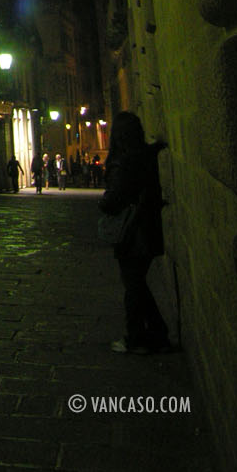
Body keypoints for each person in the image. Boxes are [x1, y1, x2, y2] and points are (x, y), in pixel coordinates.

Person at [98, 110, 172, 354]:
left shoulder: (123, 163)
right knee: (138, 284)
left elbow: (114, 199)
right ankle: (158, 334)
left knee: (133, 286)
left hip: (131, 232)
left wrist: (104, 203)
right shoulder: (146, 156)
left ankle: (136, 338)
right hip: (148, 228)